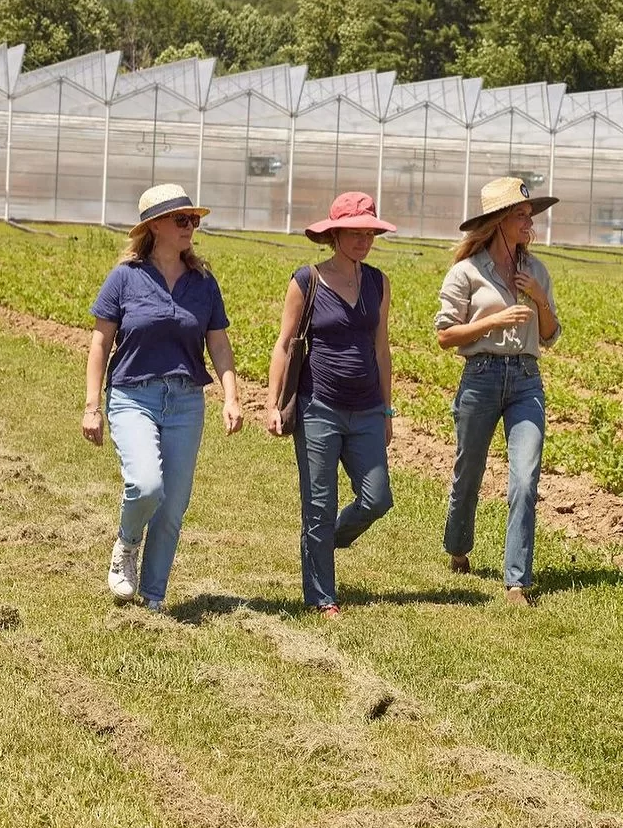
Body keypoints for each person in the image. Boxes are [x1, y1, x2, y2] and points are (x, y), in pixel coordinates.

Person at [82, 183, 243, 611]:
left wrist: (231, 397)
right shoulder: (125, 278)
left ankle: (153, 599)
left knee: (172, 508)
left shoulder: (203, 283)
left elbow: (219, 345)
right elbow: (100, 344)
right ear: (154, 226)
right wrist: (92, 406)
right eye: (182, 219)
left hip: (186, 401)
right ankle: (127, 544)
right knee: (146, 485)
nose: (191, 226)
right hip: (134, 394)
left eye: (193, 219)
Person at [266, 192, 396, 619]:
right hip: (317, 407)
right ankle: (322, 596)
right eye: (355, 232)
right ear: (334, 234)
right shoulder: (307, 280)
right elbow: (285, 344)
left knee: (377, 499)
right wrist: (272, 403)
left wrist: (387, 409)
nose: (363, 240)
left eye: (369, 232)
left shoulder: (378, 282)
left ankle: (325, 540)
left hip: (367, 409)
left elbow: (382, 349)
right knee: (317, 504)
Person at [435, 177, 562, 607]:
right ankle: (458, 545)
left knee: (525, 478)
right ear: (499, 222)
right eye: (522, 216)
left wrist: (540, 298)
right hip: (482, 374)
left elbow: (549, 336)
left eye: (530, 216)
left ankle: (516, 582)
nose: (530, 223)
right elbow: (445, 336)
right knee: (468, 471)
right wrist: (492, 322)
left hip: (526, 378)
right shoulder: (466, 272)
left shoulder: (536, 270)